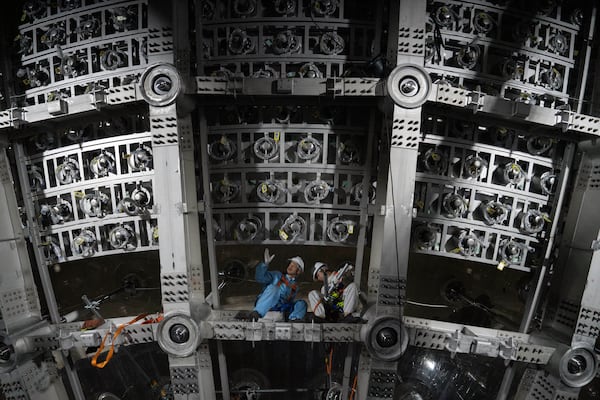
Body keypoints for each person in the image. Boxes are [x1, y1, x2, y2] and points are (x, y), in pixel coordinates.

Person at [237, 249, 307, 322]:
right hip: (267, 306)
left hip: (280, 309)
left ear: (298, 271)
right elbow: (260, 278)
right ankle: (257, 313)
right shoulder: (277, 275)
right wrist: (265, 264)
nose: (290, 267)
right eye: (290, 264)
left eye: (293, 266)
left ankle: (294, 319)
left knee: (301, 303)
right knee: (274, 288)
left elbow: (289, 301)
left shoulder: (295, 287)